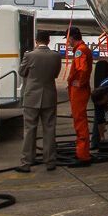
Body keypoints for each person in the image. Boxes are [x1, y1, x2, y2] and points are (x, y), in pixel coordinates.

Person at [18, 31, 62, 171]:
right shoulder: (56, 56)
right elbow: (55, 74)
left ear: (36, 41)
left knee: (30, 129)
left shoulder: (29, 55)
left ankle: (27, 161)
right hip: (49, 96)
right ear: (48, 41)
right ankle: (50, 161)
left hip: (32, 97)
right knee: (49, 129)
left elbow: (21, 72)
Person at [66, 26, 93, 163]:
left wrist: (79, 83)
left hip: (79, 91)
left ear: (71, 38)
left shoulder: (80, 51)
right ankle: (82, 151)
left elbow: (82, 70)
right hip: (79, 89)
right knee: (79, 119)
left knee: (79, 120)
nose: (68, 42)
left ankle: (82, 153)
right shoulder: (82, 49)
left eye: (68, 39)